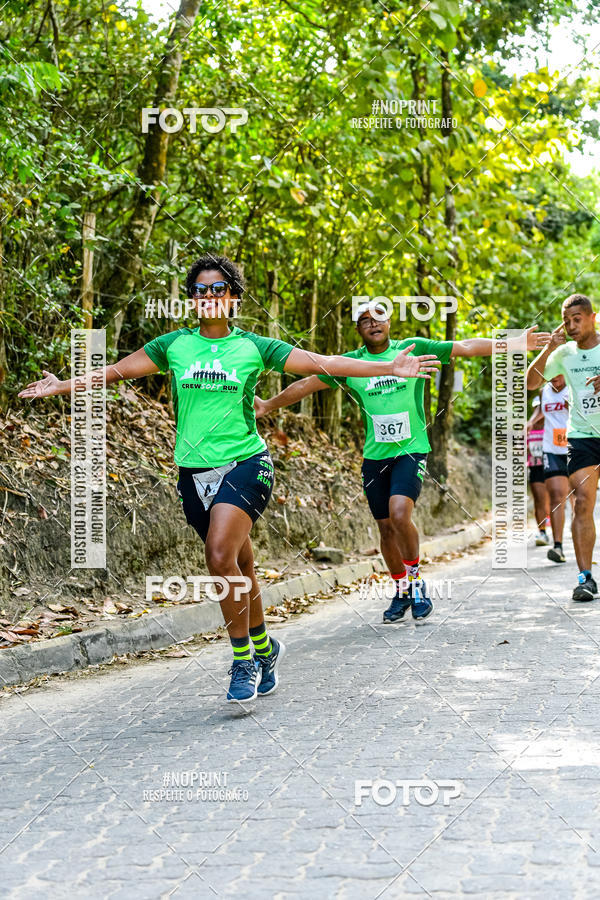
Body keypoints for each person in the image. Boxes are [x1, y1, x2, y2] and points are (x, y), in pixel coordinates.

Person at [18, 254, 440, 710]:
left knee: (219, 557)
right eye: (200, 290)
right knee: (240, 568)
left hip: (246, 464)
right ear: (191, 299)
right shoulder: (173, 346)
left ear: (233, 298)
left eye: (218, 289)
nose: (208, 297)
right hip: (193, 473)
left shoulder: (254, 347)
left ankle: (242, 661)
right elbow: (115, 371)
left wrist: (387, 368)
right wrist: (61, 386)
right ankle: (264, 648)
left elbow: (324, 362)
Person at [255, 300, 550, 624]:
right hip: (374, 457)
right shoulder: (352, 364)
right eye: (364, 320)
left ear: (389, 322)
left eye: (378, 317)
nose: (373, 323)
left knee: (399, 514)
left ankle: (415, 580)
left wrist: (514, 343)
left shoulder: (413, 348)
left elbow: (465, 346)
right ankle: (402, 590)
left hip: (411, 450)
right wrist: (268, 404)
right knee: (385, 528)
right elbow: (307, 384)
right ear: (357, 329)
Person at [527, 292, 600, 600]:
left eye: (577, 319)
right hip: (582, 437)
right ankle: (585, 578)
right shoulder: (564, 353)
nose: (571, 326)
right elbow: (531, 382)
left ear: (592, 318)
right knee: (582, 502)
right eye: (566, 321)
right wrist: (548, 348)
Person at [540, 374, 569, 563]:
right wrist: (530, 422)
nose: (554, 378)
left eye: (558, 374)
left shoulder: (574, 387)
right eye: (550, 374)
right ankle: (558, 546)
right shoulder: (543, 391)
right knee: (557, 496)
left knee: (581, 499)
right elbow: (541, 411)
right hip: (551, 449)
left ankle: (582, 536)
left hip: (576, 448)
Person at [527, 397, 551, 548]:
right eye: (536, 408)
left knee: (554, 499)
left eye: (541, 407)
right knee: (539, 499)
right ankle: (542, 532)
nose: (538, 411)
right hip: (535, 467)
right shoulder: (527, 428)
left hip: (553, 465)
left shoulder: (552, 424)